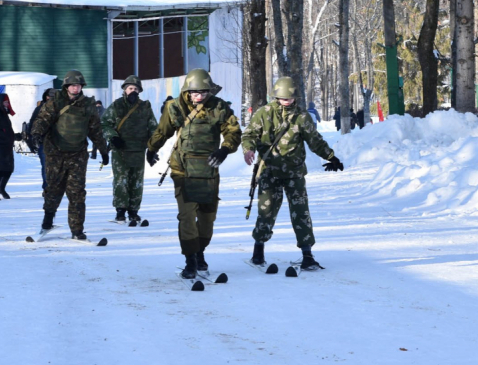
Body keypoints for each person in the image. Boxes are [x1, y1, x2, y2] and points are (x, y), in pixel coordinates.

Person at [147, 69, 242, 279]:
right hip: (182, 169)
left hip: (208, 170)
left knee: (207, 218)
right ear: (187, 91)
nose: (199, 96)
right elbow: (162, 131)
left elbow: (233, 131)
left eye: (204, 92)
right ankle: (190, 259)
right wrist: (152, 148)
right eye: (195, 92)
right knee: (187, 216)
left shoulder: (219, 107)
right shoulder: (175, 107)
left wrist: (225, 149)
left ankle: (200, 251)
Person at [243, 77, 344, 271]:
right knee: (266, 211)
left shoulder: (301, 116)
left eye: (290, 97)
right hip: (269, 171)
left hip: (294, 173)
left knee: (301, 212)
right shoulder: (264, 113)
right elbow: (249, 135)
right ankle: (258, 251)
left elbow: (315, 141)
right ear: (276, 96)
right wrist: (248, 149)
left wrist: (331, 157)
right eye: (283, 97)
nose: (287, 100)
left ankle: (307, 254)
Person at [30, 70, 109, 240]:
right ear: (66, 86)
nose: (76, 87)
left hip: (78, 155)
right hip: (55, 153)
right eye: (73, 85)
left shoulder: (88, 105)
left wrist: (103, 149)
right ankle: (47, 222)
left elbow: (95, 129)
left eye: (79, 85)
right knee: (53, 190)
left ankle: (77, 230)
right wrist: (36, 134)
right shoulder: (55, 102)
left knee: (77, 193)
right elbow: (42, 120)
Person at [101, 75, 158, 225]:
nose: (133, 91)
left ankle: (134, 212)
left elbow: (153, 128)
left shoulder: (145, 107)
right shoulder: (117, 106)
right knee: (121, 181)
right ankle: (120, 211)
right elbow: (105, 124)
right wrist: (113, 137)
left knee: (136, 182)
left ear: (139, 91)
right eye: (130, 88)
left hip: (138, 150)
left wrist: (153, 148)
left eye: (135, 89)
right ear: (125, 90)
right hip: (120, 151)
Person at [0, 93, 22, 200]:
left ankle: (1, 189)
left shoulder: (4, 114)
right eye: (5, 102)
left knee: (9, 169)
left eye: (8, 102)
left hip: (6, 145)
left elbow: (7, 130)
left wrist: (15, 136)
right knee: (0, 170)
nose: (7, 104)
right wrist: (5, 135)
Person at [28, 88, 54, 195]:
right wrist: (31, 141)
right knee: (46, 166)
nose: (50, 98)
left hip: (58, 142)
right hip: (43, 142)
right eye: (49, 96)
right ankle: (47, 188)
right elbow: (31, 125)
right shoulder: (39, 109)